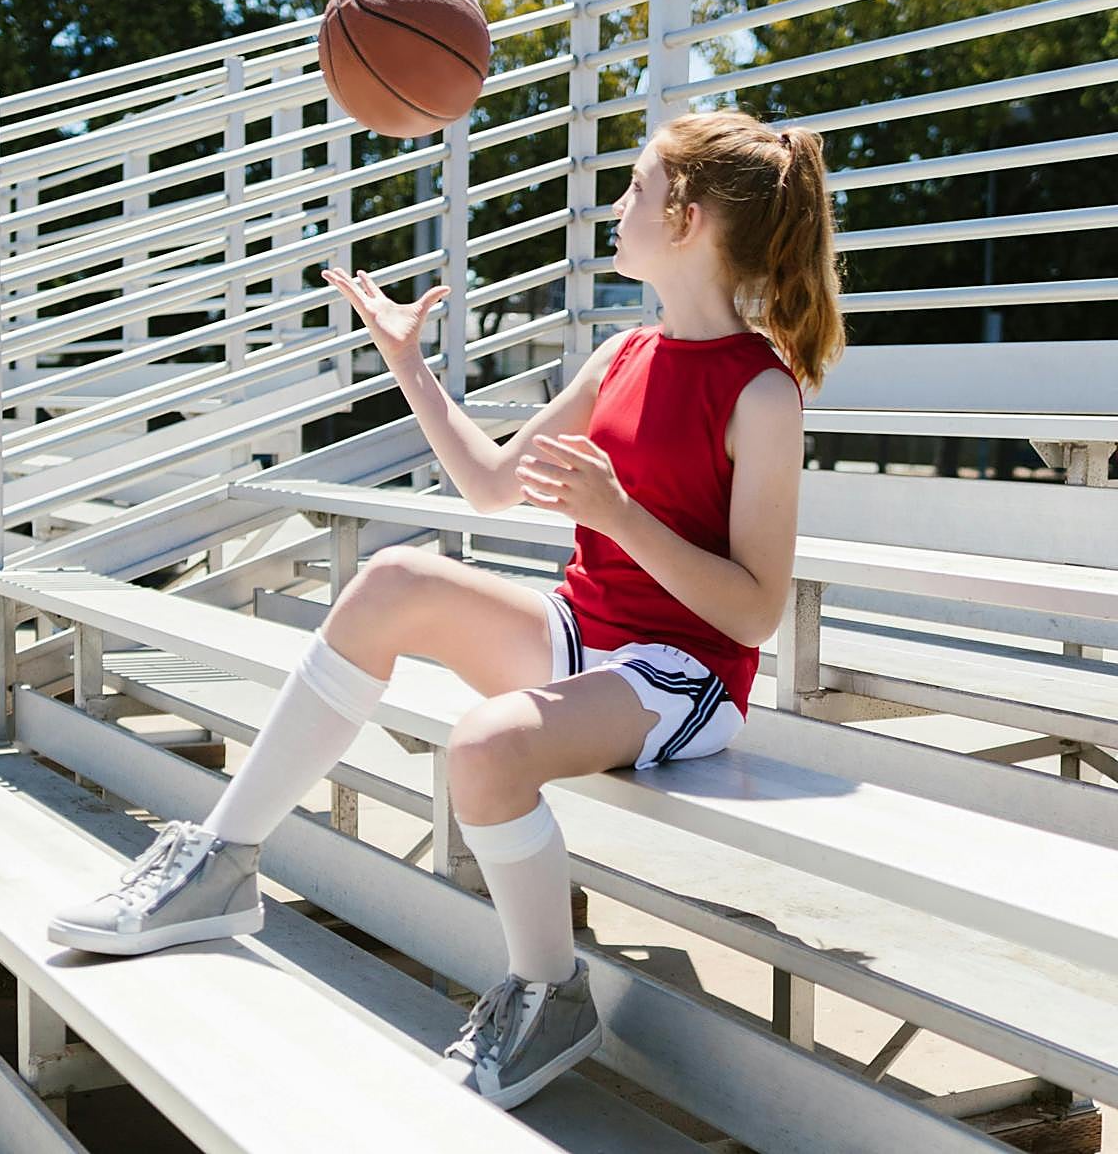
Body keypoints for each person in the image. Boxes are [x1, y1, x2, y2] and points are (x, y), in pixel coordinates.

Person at [47, 108, 844, 1111]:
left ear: (686, 218)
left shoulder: (764, 393)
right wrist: (408, 363)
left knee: (485, 747)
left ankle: (550, 991)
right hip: (584, 638)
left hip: (683, 677)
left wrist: (620, 517)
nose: (617, 204)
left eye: (637, 187)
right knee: (391, 580)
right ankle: (224, 861)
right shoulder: (621, 357)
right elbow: (490, 484)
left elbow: (755, 614)